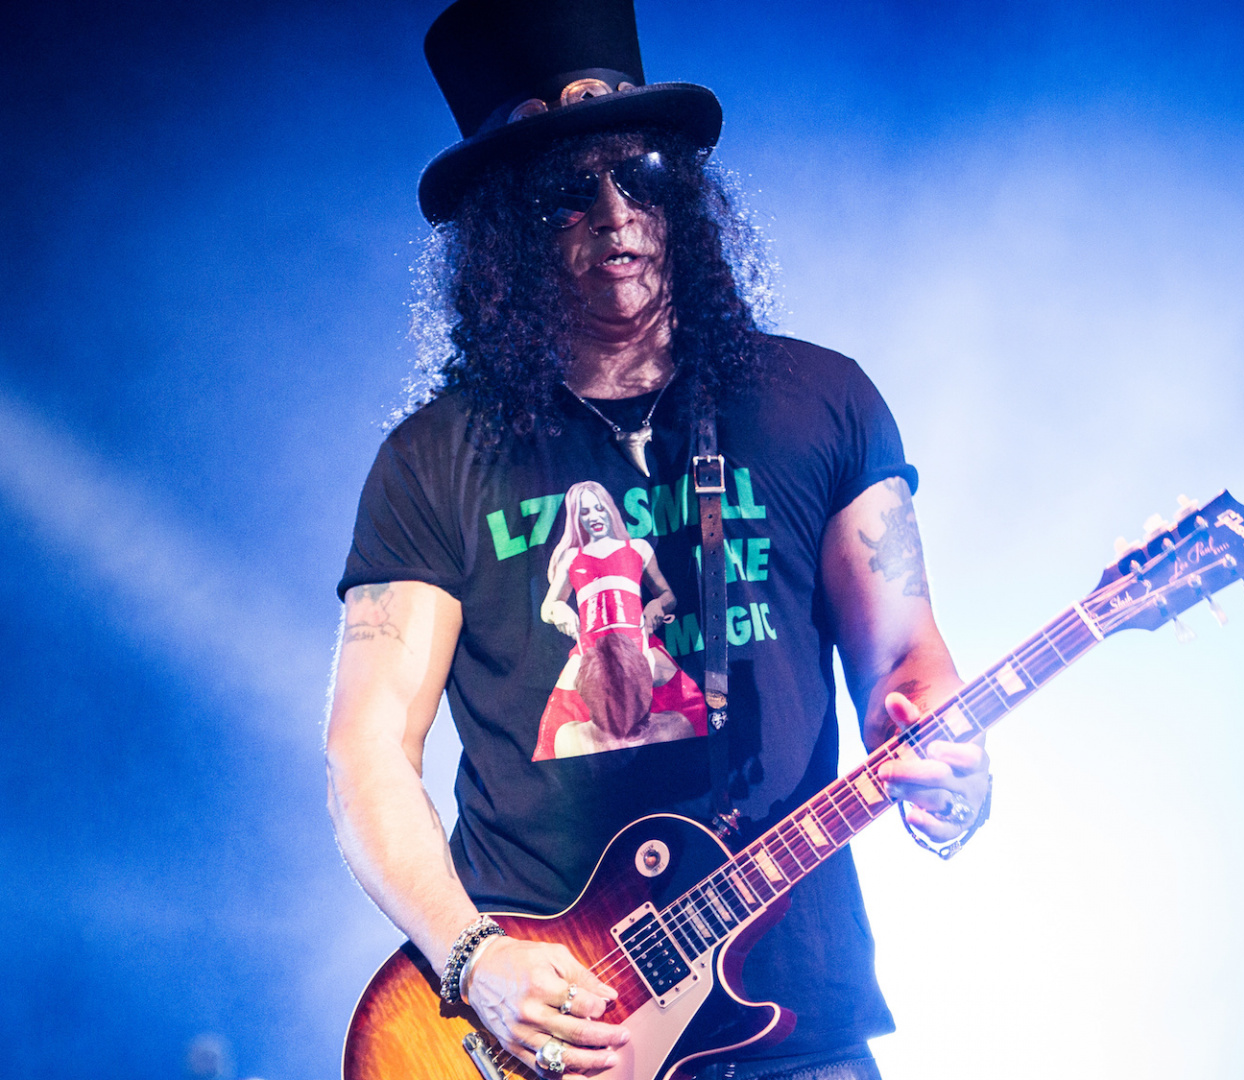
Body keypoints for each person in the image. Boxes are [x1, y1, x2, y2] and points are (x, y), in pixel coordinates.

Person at [326, 2, 990, 1078]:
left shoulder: (821, 401)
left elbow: (909, 666)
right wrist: (473, 961)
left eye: (637, 175)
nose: (615, 215)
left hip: (797, 1027)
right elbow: (366, 751)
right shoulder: (434, 458)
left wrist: (952, 770)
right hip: (548, 1036)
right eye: (566, 192)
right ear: (503, 231)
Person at [537, 479, 699, 759]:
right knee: (553, 733)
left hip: (639, 646)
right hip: (590, 652)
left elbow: (667, 595)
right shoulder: (571, 557)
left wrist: (657, 605)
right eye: (585, 511)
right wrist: (558, 610)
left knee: (692, 712)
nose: (594, 516)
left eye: (598, 508)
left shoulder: (638, 548)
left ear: (609, 509)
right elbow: (547, 608)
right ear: (576, 518)